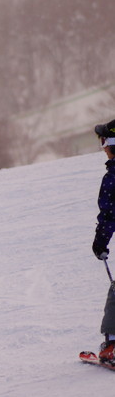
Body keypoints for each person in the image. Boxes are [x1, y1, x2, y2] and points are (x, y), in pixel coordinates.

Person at [91, 120, 115, 363]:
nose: (102, 148)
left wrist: (100, 242)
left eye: (103, 142)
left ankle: (113, 345)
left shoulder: (112, 178)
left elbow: (109, 214)